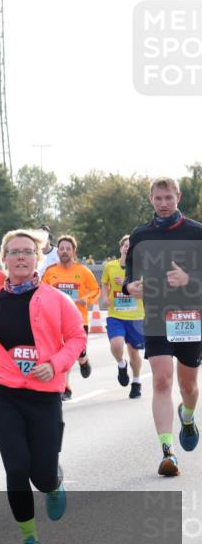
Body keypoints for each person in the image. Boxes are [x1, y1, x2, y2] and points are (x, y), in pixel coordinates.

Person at [0, 229, 85, 544]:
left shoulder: (57, 299)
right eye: (14, 252)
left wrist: (56, 364)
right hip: (3, 395)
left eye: (28, 252)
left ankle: (53, 482)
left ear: (37, 258)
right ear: (4, 259)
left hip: (44, 396)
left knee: (41, 475)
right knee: (16, 467)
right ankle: (30, 540)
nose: (20, 257)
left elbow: (77, 337)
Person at [124, 177, 202, 476]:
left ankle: (188, 415)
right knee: (161, 381)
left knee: (188, 386)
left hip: (190, 318)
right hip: (156, 316)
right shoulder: (141, 234)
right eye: (158, 198)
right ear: (151, 199)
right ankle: (168, 452)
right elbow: (130, 272)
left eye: (168, 197)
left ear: (178, 196)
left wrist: (189, 279)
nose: (163, 203)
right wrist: (130, 286)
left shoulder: (196, 232)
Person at [40, 235, 99, 400]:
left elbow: (95, 290)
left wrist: (85, 299)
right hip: (56, 320)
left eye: (68, 248)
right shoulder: (51, 272)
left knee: (76, 353)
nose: (64, 251)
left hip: (78, 320)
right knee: (61, 353)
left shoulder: (83, 271)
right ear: (57, 251)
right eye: (61, 248)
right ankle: (65, 388)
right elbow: (41, 292)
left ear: (74, 251)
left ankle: (83, 359)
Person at [100, 234, 145, 399]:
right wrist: (105, 297)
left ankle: (136, 382)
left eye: (131, 246)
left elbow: (145, 293)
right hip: (116, 315)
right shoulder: (110, 266)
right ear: (121, 248)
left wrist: (126, 286)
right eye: (125, 245)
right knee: (117, 343)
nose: (128, 248)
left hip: (136, 316)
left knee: (134, 352)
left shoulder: (141, 268)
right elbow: (104, 283)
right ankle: (121, 364)